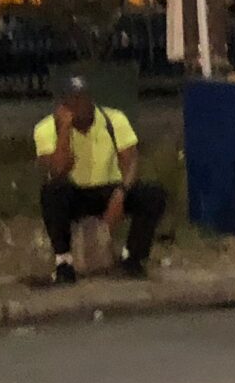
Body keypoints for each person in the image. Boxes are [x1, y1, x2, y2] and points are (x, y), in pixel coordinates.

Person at [33, 76, 167, 284]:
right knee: (52, 192)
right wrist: (64, 130)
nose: (79, 106)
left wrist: (121, 193)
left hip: (108, 187)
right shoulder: (45, 129)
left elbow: (131, 161)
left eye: (83, 99)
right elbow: (59, 170)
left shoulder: (114, 119)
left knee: (152, 194)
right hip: (74, 191)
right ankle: (64, 262)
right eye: (72, 101)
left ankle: (132, 258)